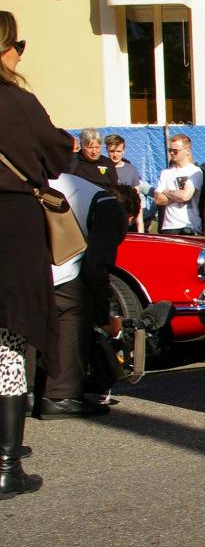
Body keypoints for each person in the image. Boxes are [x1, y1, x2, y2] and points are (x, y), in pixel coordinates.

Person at [0, 10, 69, 497]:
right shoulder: (19, 104)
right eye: (17, 45)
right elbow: (57, 154)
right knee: (8, 340)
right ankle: (6, 465)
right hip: (11, 225)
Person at [37, 170, 127, 419]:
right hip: (62, 266)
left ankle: (27, 391)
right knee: (73, 308)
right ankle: (61, 394)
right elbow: (95, 269)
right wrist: (103, 316)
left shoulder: (61, 182)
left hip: (32, 262)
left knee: (33, 315)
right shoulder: (111, 208)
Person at [153, 134, 203, 235]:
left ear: (187, 151)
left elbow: (185, 196)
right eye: (170, 150)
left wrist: (166, 191)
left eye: (175, 150)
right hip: (169, 226)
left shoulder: (195, 171)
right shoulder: (165, 173)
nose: (172, 153)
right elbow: (157, 199)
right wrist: (178, 194)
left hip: (189, 225)